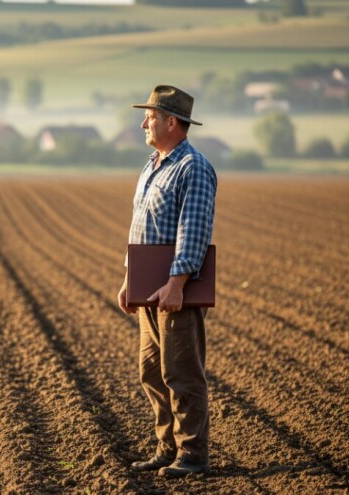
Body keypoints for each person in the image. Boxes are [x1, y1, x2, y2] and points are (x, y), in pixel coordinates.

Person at [117, 85, 217, 477]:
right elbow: (139, 226)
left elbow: (193, 230)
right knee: (152, 372)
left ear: (172, 123)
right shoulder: (152, 164)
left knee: (182, 373)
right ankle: (167, 448)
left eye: (152, 117)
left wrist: (177, 284)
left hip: (175, 291)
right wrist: (129, 277)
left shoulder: (192, 167)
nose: (144, 123)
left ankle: (192, 455)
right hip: (146, 290)